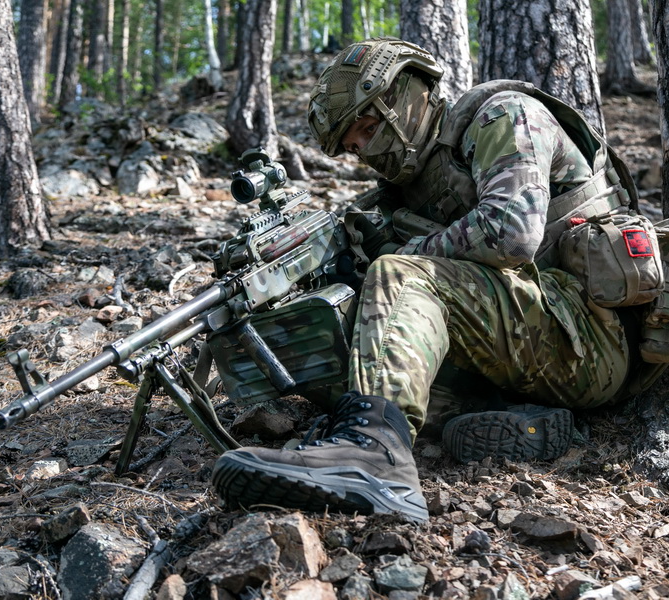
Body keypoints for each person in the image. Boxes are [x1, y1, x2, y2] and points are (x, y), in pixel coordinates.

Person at [211, 37, 644, 523]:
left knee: (398, 276)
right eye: (355, 149)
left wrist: (401, 256)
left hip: (588, 337)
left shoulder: (504, 116)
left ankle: (372, 458)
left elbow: (512, 233)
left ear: (404, 96)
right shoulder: (407, 189)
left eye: (369, 131)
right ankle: (510, 424)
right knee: (344, 335)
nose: (368, 154)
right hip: (529, 344)